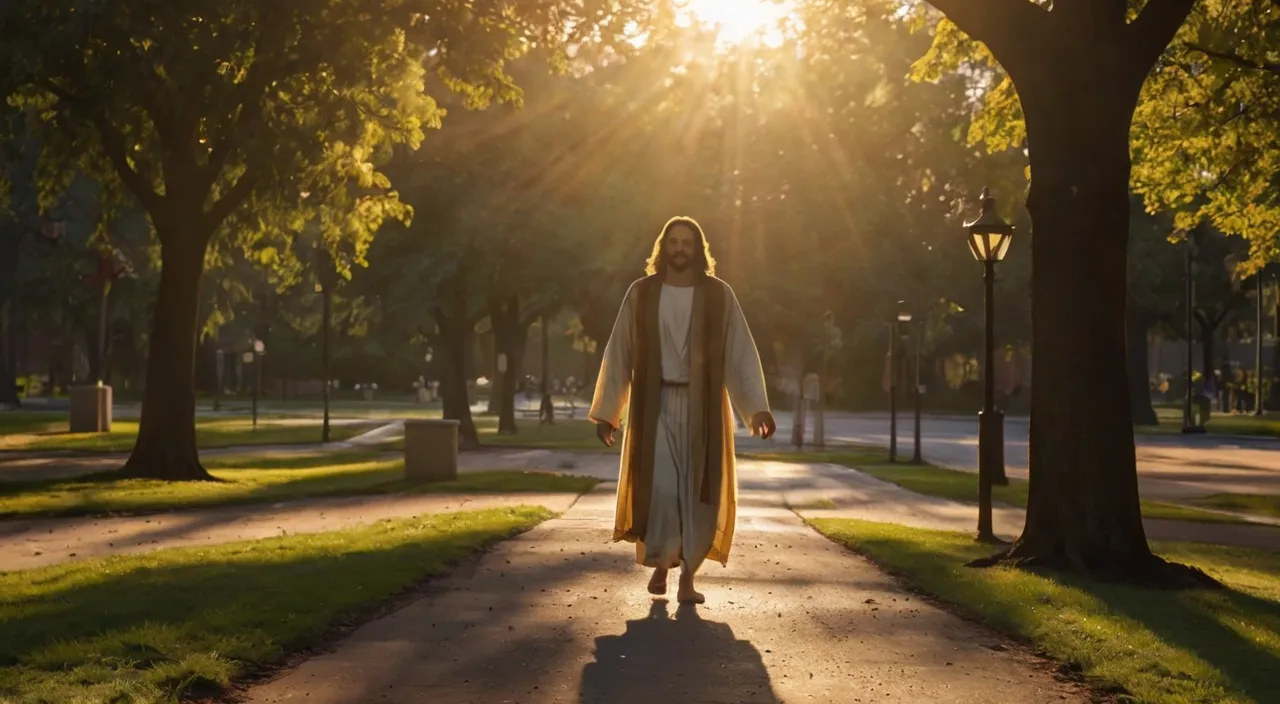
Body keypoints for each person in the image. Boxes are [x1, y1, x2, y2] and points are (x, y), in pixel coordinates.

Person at [589, 216, 775, 605]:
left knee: (698, 494)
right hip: (654, 406)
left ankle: (687, 577)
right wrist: (609, 412)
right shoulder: (641, 294)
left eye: (686, 243)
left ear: (698, 249)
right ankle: (661, 564)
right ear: (662, 247)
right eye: (672, 242)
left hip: (703, 408)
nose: (679, 249)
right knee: (661, 489)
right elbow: (620, 349)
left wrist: (757, 408)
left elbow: (739, 353)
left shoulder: (719, 295)